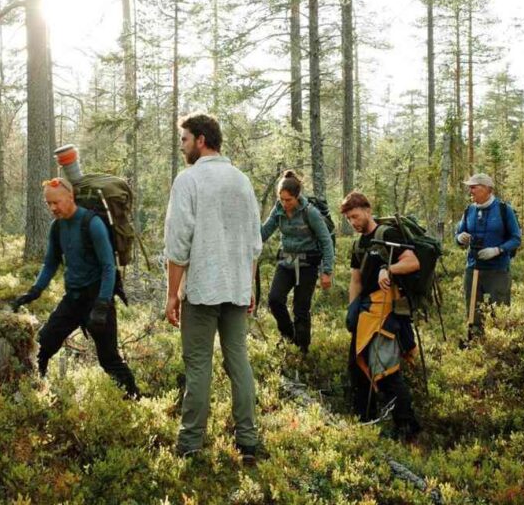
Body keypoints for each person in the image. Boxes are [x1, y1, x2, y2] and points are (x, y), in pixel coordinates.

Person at [163, 112, 265, 464]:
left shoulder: (188, 181)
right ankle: (248, 441)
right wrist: (249, 286)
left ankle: (190, 443)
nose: (182, 147)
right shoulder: (241, 181)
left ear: (201, 140)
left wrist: (172, 295)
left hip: (203, 288)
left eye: (185, 139)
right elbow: (255, 242)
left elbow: (178, 245)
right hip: (237, 286)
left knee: (198, 365)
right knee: (238, 360)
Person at [13, 178, 140, 398]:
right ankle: (36, 394)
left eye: (56, 202)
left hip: (97, 298)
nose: (52, 208)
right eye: (48, 204)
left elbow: (109, 267)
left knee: (109, 360)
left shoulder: (92, 223)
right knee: (42, 348)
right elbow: (51, 262)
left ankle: (135, 397)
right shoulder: (57, 227)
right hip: (73, 299)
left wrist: (102, 304)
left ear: (70, 197)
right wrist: (34, 291)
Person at [340, 191, 422, 443]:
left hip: (385, 312)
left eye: (355, 216)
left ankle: (409, 429)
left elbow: (412, 262)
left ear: (367, 210)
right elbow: (355, 278)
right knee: (357, 369)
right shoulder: (358, 244)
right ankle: (366, 423)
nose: (353, 222)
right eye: (348, 219)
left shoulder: (387, 235)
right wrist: (352, 310)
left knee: (386, 371)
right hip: (365, 313)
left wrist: (389, 268)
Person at [260, 170, 335, 354]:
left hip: (307, 265)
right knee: (275, 300)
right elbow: (264, 232)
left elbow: (326, 241)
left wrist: (327, 271)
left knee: (301, 309)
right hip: (286, 263)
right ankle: (288, 336)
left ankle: (302, 349)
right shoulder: (278, 210)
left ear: (297, 196)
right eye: (282, 199)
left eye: (288, 200)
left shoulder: (311, 213)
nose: (285, 204)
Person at [454, 173, 522, 340]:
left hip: (498, 270)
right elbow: (458, 234)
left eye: (474, 187)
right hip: (473, 269)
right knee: (472, 312)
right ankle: (474, 345)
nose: (470, 191)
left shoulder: (504, 210)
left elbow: (516, 239)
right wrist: (460, 238)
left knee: (500, 311)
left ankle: (500, 346)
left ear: (487, 189)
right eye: (470, 187)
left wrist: (497, 250)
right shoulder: (469, 210)